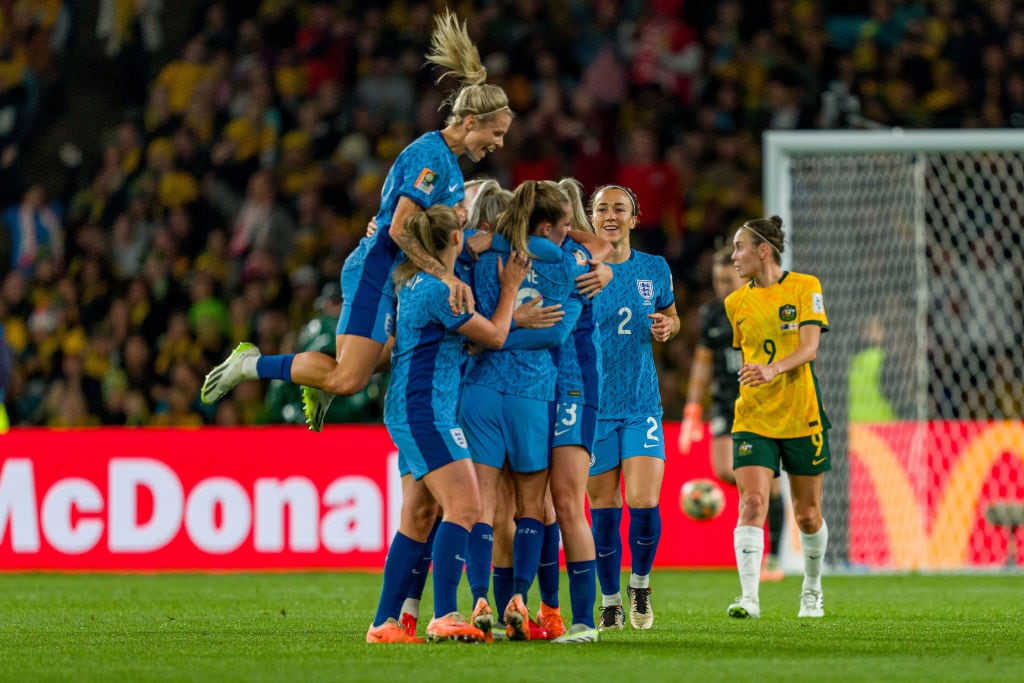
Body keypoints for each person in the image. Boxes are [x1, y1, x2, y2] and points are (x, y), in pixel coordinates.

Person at [199, 9, 514, 431]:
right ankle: (251, 364)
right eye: (495, 134)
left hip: (390, 274)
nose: (498, 144)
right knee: (349, 379)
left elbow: (406, 223)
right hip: (377, 272)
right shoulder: (432, 156)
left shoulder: (450, 169)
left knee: (394, 352)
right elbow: (402, 228)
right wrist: (447, 277)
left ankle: (318, 378)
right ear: (471, 121)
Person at [365, 204, 530, 644]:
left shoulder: (418, 282)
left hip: (417, 406)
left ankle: (384, 624)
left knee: (420, 516)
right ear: (456, 238)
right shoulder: (442, 289)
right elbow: (493, 337)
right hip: (426, 410)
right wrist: (511, 289)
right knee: (467, 508)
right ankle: (445, 615)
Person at [460, 180, 583, 642]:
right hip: (532, 391)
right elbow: (553, 335)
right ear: (548, 225)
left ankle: (478, 601)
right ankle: (519, 598)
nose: (568, 234)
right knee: (534, 506)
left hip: (481, 387)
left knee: (483, 506)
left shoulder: (481, 257)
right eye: (564, 225)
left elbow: (471, 326)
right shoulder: (557, 261)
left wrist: (489, 337)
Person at [723, 215, 830, 620]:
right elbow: (748, 355)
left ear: (762, 251)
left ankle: (812, 588)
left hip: (801, 413)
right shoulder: (736, 303)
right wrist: (756, 373)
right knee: (751, 502)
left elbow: (809, 348)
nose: (734, 257)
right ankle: (749, 598)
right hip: (752, 415)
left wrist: (772, 368)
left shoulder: (806, 287)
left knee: (808, 514)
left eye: (739, 247)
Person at [586, 184, 679, 631]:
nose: (610, 215)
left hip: (641, 403)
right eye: (601, 208)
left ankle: (639, 584)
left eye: (619, 208)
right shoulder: (579, 270)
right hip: (592, 408)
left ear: (634, 218)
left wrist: (668, 325)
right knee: (603, 510)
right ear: (591, 217)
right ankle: (609, 600)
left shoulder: (654, 268)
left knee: (643, 503)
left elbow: (672, 315)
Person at [678, 245, 786, 582]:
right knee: (725, 469)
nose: (722, 286)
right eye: (716, 280)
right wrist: (693, 410)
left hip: (763, 401)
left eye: (727, 279)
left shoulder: (764, 308)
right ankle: (757, 494)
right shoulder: (711, 313)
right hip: (727, 402)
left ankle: (775, 557)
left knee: (766, 483)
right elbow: (703, 363)